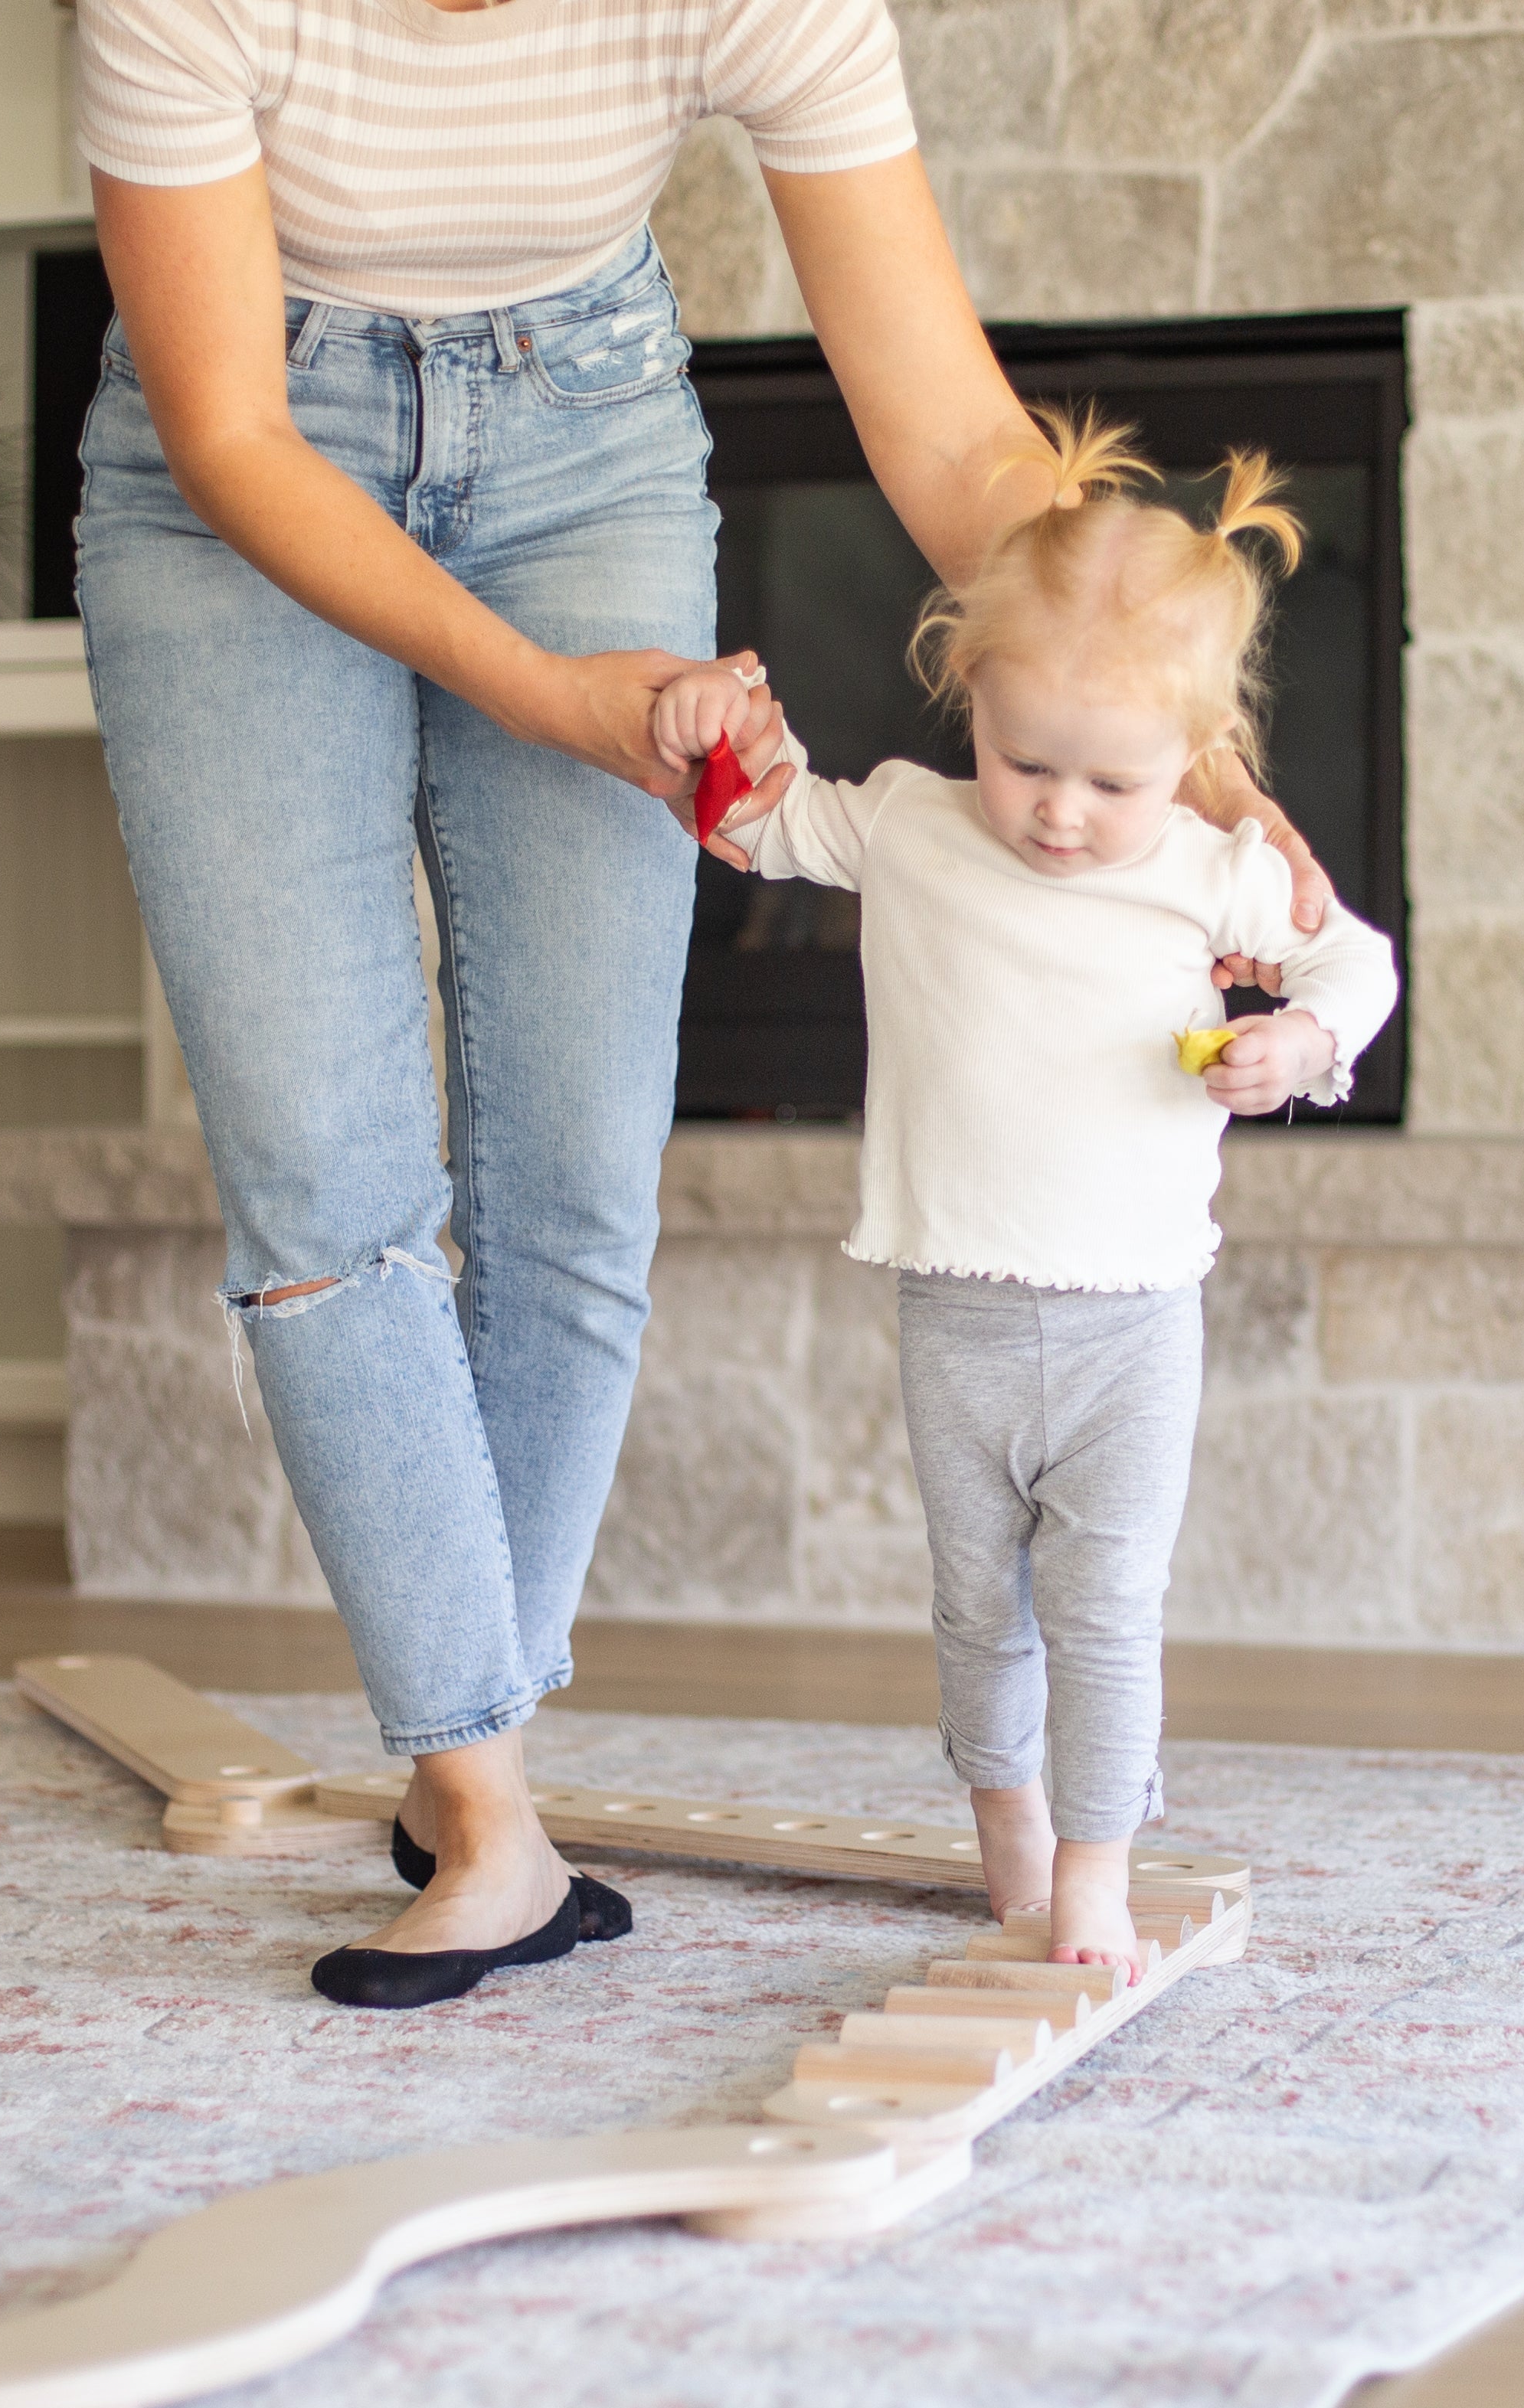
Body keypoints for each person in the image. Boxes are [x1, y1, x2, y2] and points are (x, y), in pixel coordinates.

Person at [67, 0, 1332, 2009]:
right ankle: (480, 1814)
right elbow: (231, 435)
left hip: (580, 442)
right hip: (232, 486)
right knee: (327, 1184)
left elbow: (950, 441)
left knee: (571, 1168)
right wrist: (548, 694)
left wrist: (1188, 747)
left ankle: (459, 1743)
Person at [654, 413, 1398, 1969]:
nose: (1059, 811)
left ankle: (1094, 1880)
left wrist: (1305, 1038)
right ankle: (1006, 1847)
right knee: (976, 1606)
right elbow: (752, 817)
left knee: (1108, 1610)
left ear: (1190, 753)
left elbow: (1355, 960)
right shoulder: (918, 825)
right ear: (968, 699)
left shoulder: (1209, 861)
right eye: (1023, 760)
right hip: (959, 1306)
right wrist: (720, 708)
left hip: (1134, 1319)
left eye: (1110, 780)